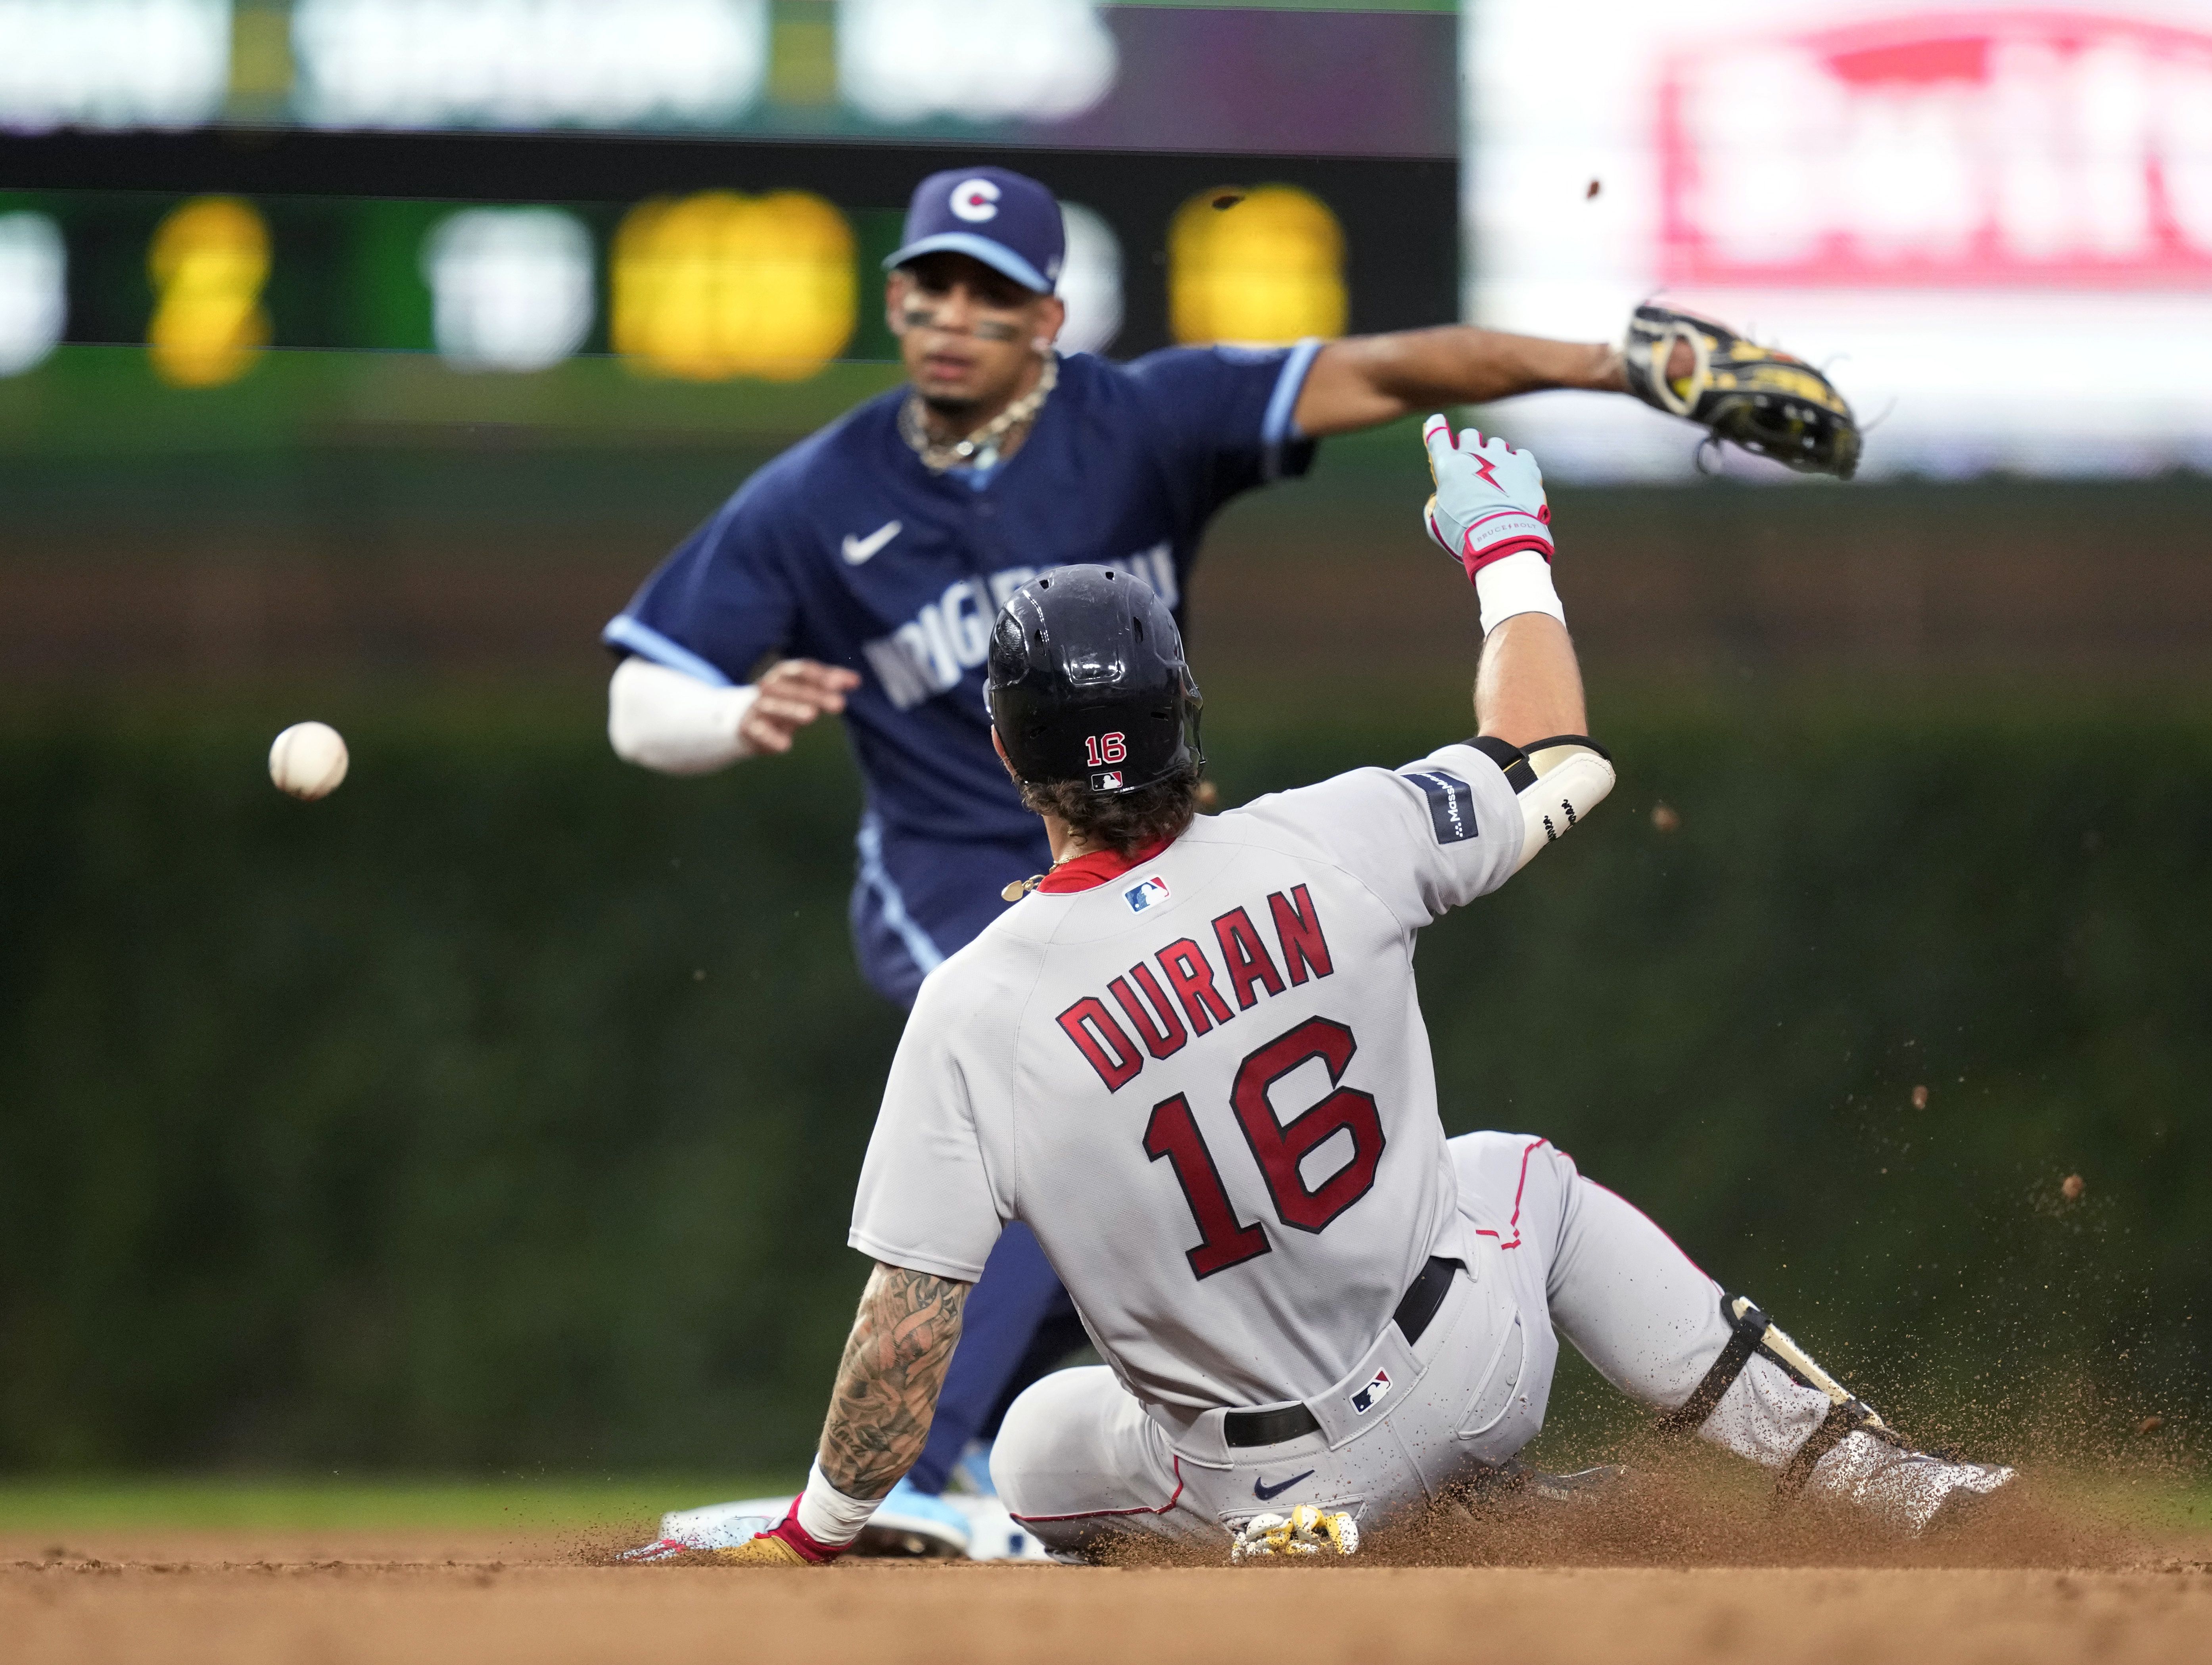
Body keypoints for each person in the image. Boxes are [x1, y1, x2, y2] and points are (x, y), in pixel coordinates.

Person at [602, 164, 1856, 1554]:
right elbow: (642, 692)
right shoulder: (1330, 834)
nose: (954, 314)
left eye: (990, 292)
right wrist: (1525, 510)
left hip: (1093, 939)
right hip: (1034, 895)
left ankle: (964, 1488)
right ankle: (1831, 1479)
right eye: (931, 284)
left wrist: (1608, 362)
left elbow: (1376, 366)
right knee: (1476, 1175)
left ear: (1050, 318)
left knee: (1022, 1205)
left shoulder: (1133, 422)